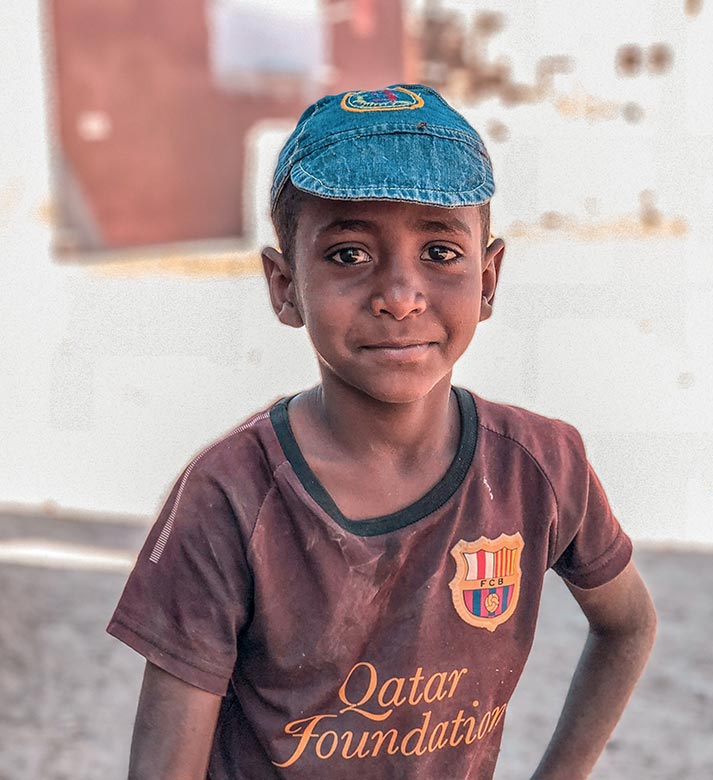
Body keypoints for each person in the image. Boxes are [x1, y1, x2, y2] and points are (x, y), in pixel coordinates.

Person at [108, 83, 656, 780]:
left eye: (440, 252)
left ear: (488, 278)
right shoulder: (230, 496)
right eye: (348, 254)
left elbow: (628, 625)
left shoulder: (539, 466)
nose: (400, 296)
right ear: (284, 286)